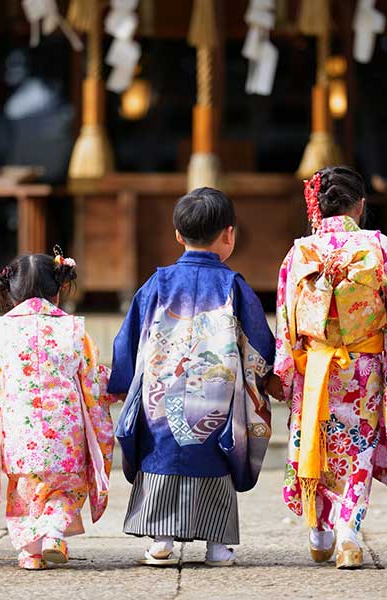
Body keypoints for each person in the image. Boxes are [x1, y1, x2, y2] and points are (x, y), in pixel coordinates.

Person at [273, 166, 387, 569]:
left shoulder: (299, 253)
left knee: (315, 440)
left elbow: (286, 319)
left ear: (316, 208)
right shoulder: (377, 246)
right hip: (363, 369)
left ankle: (319, 531)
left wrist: (285, 373)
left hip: (315, 367)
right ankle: (348, 534)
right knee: (357, 449)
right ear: (360, 206)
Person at [109, 187, 275, 567]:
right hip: (216, 399)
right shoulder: (234, 286)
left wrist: (120, 381)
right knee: (216, 457)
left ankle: (161, 541)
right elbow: (259, 342)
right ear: (229, 234)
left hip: (161, 395)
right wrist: (269, 378)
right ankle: (217, 546)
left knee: (161, 454)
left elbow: (130, 336)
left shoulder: (158, 283)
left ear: (178, 235)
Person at [0, 251, 115, 570]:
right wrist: (115, 385)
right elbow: (93, 378)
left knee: (24, 493)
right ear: (58, 290)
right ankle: (54, 534)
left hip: (19, 431)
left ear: (11, 292)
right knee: (66, 487)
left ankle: (30, 554)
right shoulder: (73, 329)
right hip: (65, 431)